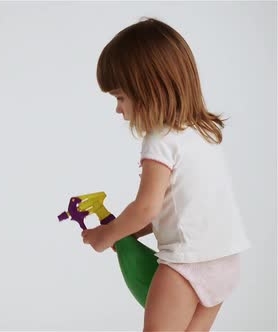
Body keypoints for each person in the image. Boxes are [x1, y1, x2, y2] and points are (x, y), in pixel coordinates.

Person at [81, 18, 250, 331]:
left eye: (120, 97)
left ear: (148, 90)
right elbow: (176, 207)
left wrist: (107, 235)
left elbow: (147, 206)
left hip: (186, 265)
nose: (118, 109)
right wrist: (129, 233)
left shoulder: (159, 141)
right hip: (225, 261)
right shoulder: (202, 131)